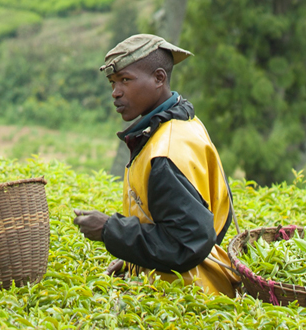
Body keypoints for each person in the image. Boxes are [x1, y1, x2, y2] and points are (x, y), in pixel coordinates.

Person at [72, 33, 238, 296]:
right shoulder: (186, 124)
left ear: (159, 78)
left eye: (125, 80)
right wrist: (136, 259)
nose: (115, 92)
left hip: (190, 298)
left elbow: (188, 242)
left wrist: (109, 230)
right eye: (113, 82)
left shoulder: (165, 153)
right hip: (199, 285)